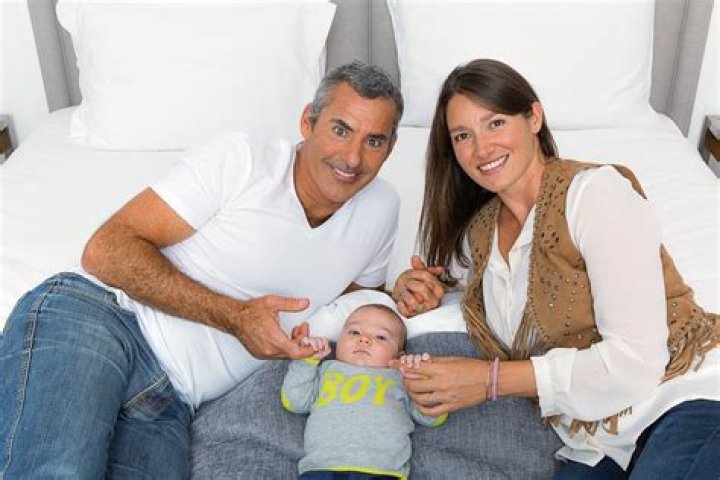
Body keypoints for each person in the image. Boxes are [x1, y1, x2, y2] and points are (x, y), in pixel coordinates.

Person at [0, 61, 404, 478]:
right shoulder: (244, 159)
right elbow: (106, 249)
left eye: (374, 141)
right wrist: (234, 316)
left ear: (390, 148)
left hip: (170, 403)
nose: (352, 158)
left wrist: (404, 293)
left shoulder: (382, 209)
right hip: (103, 321)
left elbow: (355, 303)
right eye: (340, 129)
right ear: (308, 122)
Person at [391, 59, 719, 479]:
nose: (481, 149)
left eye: (495, 124)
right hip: (598, 441)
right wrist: (421, 291)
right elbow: (470, 292)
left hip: (680, 398)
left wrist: (490, 380)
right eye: (462, 136)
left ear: (534, 117)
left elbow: (635, 363)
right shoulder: (481, 234)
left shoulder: (595, 195)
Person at [281, 303, 446, 480]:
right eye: (354, 332)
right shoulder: (326, 369)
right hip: (321, 468)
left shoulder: (401, 377)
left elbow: (431, 418)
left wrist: (422, 378)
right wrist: (305, 362)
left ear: (399, 355)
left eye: (380, 337)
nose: (364, 340)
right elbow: (295, 402)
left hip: (383, 471)